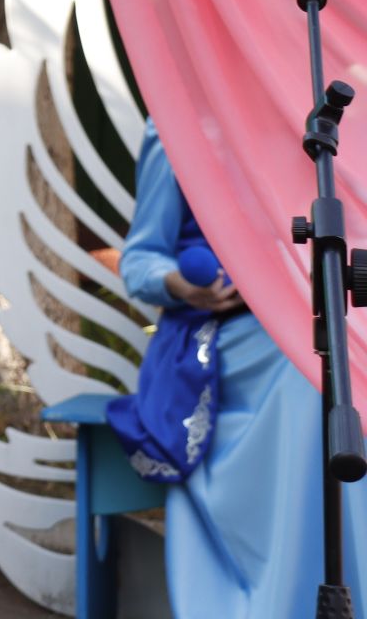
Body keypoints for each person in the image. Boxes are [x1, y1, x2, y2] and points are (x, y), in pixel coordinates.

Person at [115, 120, 367, 616]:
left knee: (337, 365)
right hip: (224, 337)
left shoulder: (317, 115)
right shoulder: (177, 117)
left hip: (321, 320)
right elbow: (139, 259)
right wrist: (181, 285)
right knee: (314, 377)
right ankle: (288, 599)